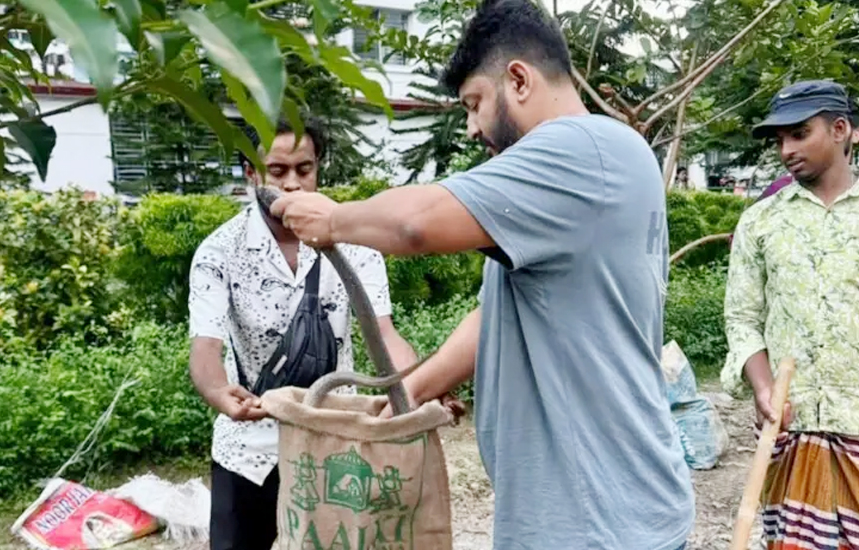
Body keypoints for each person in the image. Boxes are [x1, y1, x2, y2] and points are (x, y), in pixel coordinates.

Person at [269, 0, 696, 547]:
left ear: (518, 79)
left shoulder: (579, 149)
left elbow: (415, 226)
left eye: (474, 103)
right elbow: (494, 316)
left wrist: (331, 220)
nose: (471, 128)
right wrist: (411, 392)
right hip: (602, 508)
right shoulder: (601, 160)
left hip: (596, 519)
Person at [187, 116, 419, 550]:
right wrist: (220, 392)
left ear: (318, 168)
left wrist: (417, 390)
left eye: (304, 169)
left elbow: (384, 334)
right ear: (251, 173)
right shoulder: (219, 252)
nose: (292, 184)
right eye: (277, 172)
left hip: (336, 442)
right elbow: (205, 347)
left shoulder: (356, 245)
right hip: (250, 447)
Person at [721, 79, 859, 550]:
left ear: (841, 129)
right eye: (780, 139)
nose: (786, 150)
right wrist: (763, 386)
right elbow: (741, 319)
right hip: (793, 436)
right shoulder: (761, 221)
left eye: (799, 134)